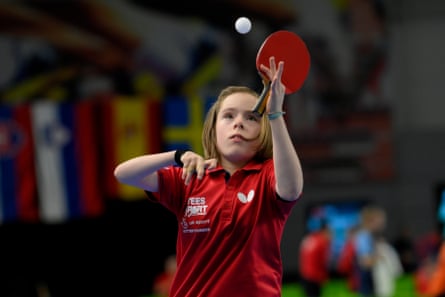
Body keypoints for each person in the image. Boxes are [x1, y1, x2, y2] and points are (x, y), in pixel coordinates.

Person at [114, 57, 304, 297]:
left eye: (252, 117)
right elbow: (123, 173)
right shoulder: (190, 179)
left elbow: (292, 189)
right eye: (228, 116)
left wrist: (275, 115)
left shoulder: (268, 176)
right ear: (213, 130)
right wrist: (176, 155)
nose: (239, 124)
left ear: (263, 132)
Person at [353, 205, 386, 297]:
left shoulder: (368, 236)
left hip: (368, 280)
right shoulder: (364, 237)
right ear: (371, 220)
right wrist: (381, 258)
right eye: (379, 220)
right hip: (365, 280)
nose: (382, 224)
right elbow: (365, 262)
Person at [298, 220, 331, 297]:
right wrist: (324, 277)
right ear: (324, 230)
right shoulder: (322, 242)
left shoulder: (308, 239)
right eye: (329, 231)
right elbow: (324, 261)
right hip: (315, 277)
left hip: (304, 275)